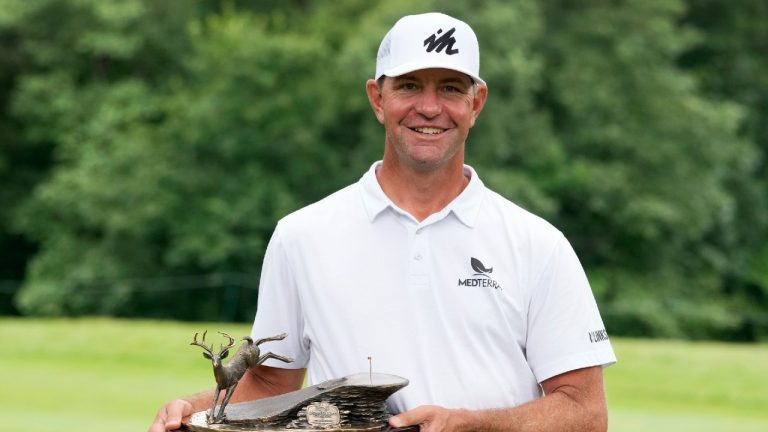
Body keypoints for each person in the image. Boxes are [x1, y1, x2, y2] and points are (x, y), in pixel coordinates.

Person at [149, 12, 616, 432]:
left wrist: (471, 425)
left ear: (476, 103)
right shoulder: (302, 236)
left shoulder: (538, 244)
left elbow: (585, 413)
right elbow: (271, 386)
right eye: (409, 85)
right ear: (378, 99)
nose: (429, 107)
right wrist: (190, 412)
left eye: (450, 88)